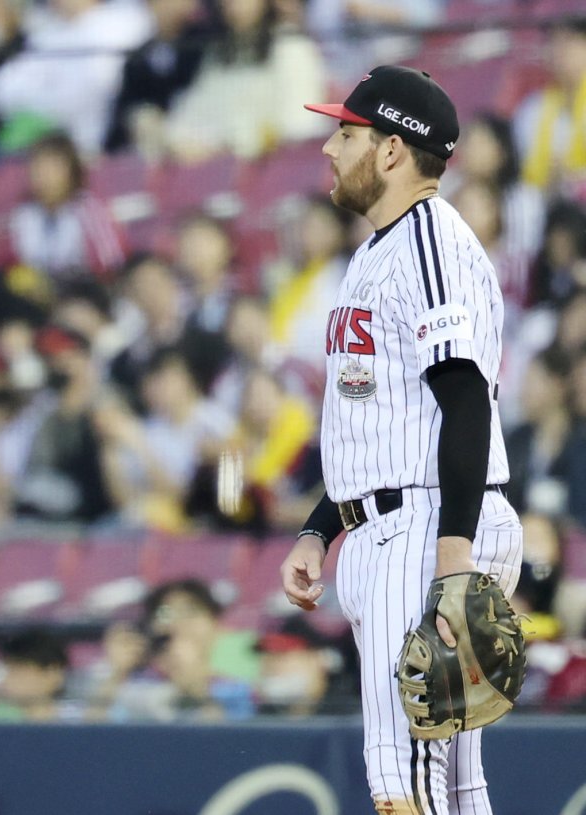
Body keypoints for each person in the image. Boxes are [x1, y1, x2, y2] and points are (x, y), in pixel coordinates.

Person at [280, 66, 523, 813]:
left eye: (345, 133)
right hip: (400, 516)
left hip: (426, 528)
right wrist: (320, 528)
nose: (327, 147)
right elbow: (384, 421)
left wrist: (451, 559)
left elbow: (463, 399)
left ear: (390, 151)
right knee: (452, 782)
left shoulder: (427, 244)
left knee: (407, 782)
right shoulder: (385, 248)